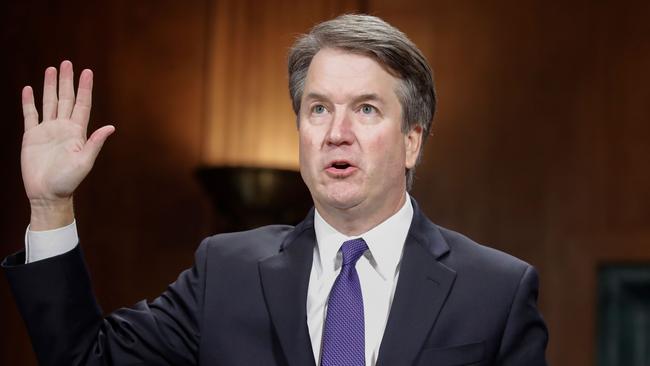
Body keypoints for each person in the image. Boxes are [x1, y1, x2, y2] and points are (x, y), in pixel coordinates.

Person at [3, 14, 548, 366]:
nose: (337, 131)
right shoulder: (227, 271)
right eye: (318, 108)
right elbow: (85, 360)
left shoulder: (496, 290)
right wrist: (50, 205)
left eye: (366, 109)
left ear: (411, 141)